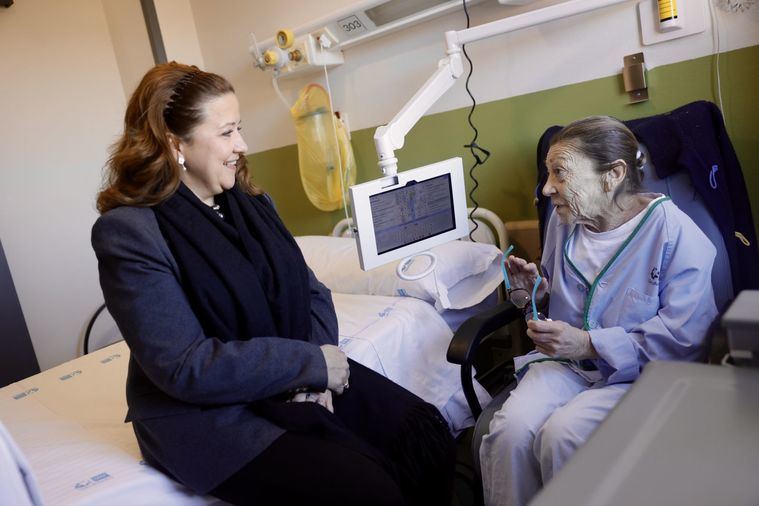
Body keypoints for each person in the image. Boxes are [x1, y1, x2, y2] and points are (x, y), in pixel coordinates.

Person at [91, 62, 455, 505]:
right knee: (366, 488)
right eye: (226, 133)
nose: (242, 146)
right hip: (206, 412)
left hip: (295, 369)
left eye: (239, 129)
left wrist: (317, 372)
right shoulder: (130, 233)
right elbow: (184, 365)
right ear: (174, 143)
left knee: (421, 433)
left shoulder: (255, 204)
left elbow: (313, 293)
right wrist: (306, 364)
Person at [479, 116, 718, 506]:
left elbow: (685, 340)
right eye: (547, 173)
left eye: (560, 173)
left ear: (613, 174)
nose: (546, 188)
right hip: (568, 368)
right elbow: (562, 299)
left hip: (641, 376)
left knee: (562, 435)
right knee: (510, 432)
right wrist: (532, 295)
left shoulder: (675, 233)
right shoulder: (565, 221)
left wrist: (590, 344)